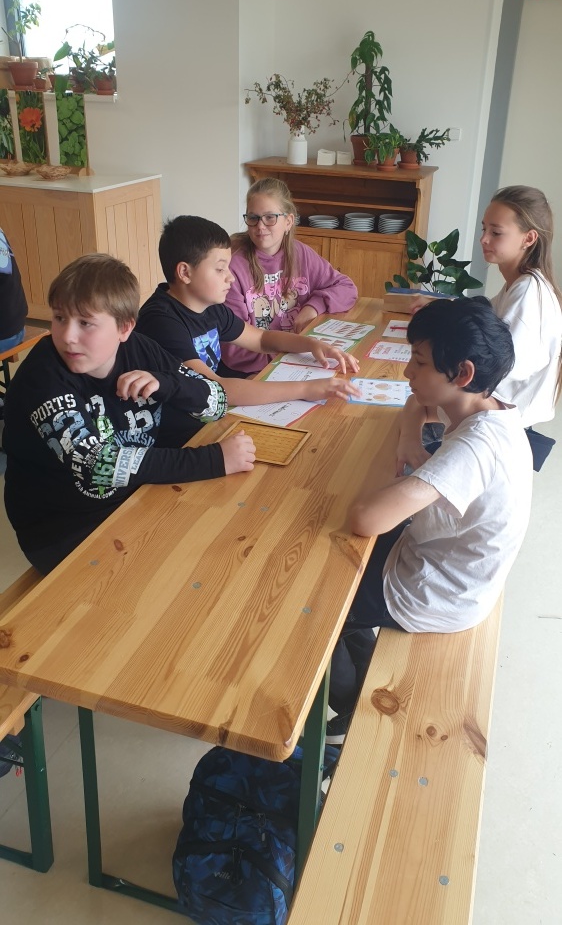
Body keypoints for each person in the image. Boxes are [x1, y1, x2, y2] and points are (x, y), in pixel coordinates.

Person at [326, 297, 533, 743]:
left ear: (462, 373)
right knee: (333, 561)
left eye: (419, 363)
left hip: (437, 592)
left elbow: (366, 518)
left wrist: (410, 468)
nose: (407, 372)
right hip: (445, 560)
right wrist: (409, 440)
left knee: (316, 605)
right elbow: (413, 405)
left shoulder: (474, 450)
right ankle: (360, 650)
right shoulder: (486, 405)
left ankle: (351, 707)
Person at [3, 253, 256, 576]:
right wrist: (215, 460)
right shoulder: (42, 377)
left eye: (85, 323)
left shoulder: (141, 349)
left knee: (227, 547)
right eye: (59, 318)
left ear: (124, 328)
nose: (67, 336)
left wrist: (167, 384)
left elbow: (217, 402)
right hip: (64, 530)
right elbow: (98, 464)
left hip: (136, 495)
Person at [135, 215, 360, 444]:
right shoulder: (161, 321)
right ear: (185, 272)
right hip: (178, 438)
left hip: (209, 417)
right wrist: (305, 389)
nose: (231, 277)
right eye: (220, 269)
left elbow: (261, 339)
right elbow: (215, 389)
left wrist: (312, 344)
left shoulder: (208, 306)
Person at [398, 185, 562, 472]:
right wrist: (443, 306)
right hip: (487, 418)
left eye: (496, 232)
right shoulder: (520, 284)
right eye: (484, 229)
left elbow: (498, 366)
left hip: (493, 430)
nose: (484, 239)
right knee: (409, 410)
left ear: (528, 238)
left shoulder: (528, 292)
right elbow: (484, 317)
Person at [220, 177, 358, 376]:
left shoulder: (301, 253)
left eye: (270, 217)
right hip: (254, 369)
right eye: (253, 218)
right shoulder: (233, 266)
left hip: (297, 358)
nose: (260, 226)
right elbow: (235, 349)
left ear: (288, 221)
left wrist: (313, 307)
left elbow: (346, 287)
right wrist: (291, 354)